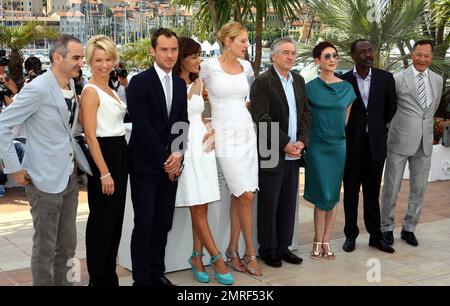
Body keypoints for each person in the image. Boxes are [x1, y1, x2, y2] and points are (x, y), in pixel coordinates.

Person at [0, 34, 92, 285]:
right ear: (57, 57)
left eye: (81, 57)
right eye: (76, 57)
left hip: (69, 177)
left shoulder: (71, 85)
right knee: (45, 248)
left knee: (68, 245)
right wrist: (15, 168)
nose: (80, 62)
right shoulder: (37, 89)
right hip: (43, 180)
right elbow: (2, 125)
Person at [127, 28, 188, 287]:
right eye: (164, 49)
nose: (170, 54)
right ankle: (141, 279)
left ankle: (156, 273)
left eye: (173, 49)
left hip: (170, 167)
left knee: (163, 223)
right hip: (145, 166)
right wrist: (167, 158)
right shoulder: (139, 82)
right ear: (153, 51)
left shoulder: (179, 83)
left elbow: (182, 122)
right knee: (144, 224)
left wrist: (178, 155)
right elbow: (141, 125)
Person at [200, 22, 262, 276]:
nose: (247, 46)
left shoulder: (246, 67)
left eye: (247, 41)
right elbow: (192, 96)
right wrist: (206, 124)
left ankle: (233, 251)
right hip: (224, 135)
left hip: (246, 132)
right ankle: (250, 254)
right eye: (243, 41)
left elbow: (248, 101)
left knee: (244, 195)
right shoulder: (208, 67)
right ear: (228, 41)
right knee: (244, 195)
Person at [173, 37, 233, 285]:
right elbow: (173, 121)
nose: (199, 60)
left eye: (200, 56)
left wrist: (213, 129)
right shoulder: (171, 83)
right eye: (194, 56)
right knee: (196, 206)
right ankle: (216, 258)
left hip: (203, 146)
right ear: (182, 58)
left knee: (203, 205)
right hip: (182, 144)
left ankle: (197, 257)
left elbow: (211, 113)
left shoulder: (199, 82)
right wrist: (175, 153)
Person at [250, 37, 311, 268]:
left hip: (295, 151)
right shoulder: (262, 82)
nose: (290, 57)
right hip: (270, 150)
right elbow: (261, 119)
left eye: (293, 53)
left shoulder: (299, 80)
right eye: (285, 52)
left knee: (287, 202)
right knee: (269, 202)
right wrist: (285, 143)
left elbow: (306, 112)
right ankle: (268, 249)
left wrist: (302, 141)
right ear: (273, 56)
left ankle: (284, 247)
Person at [381, 40, 443, 247]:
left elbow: (431, 110)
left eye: (426, 56)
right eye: (419, 55)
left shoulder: (437, 79)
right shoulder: (397, 78)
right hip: (399, 141)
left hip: (424, 143)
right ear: (411, 54)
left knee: (419, 188)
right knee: (391, 187)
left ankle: (409, 228)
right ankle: (386, 228)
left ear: (431, 57)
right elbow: (387, 110)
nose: (422, 59)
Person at [341, 39, 397, 254]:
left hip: (375, 145)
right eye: (362, 51)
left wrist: (374, 126)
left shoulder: (385, 78)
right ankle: (350, 235)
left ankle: (376, 236)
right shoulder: (343, 80)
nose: (368, 54)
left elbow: (390, 107)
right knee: (351, 193)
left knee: (372, 194)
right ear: (353, 55)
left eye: (370, 50)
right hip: (351, 146)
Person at [80, 35, 128, 286]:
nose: (104, 64)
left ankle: (108, 276)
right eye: (98, 60)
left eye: (108, 59)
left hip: (119, 153)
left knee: (114, 221)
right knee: (101, 221)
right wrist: (104, 172)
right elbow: (90, 135)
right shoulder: (90, 91)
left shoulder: (111, 88)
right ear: (89, 61)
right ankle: (98, 279)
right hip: (104, 156)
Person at [304, 42, 355, 260]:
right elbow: (305, 120)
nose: (332, 59)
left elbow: (345, 120)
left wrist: (336, 138)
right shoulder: (309, 88)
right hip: (316, 146)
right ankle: (316, 240)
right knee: (321, 195)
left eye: (335, 55)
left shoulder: (347, 88)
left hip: (337, 147)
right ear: (318, 61)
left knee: (333, 195)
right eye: (327, 56)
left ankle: (326, 241)